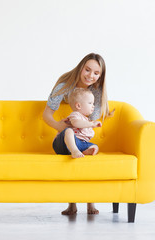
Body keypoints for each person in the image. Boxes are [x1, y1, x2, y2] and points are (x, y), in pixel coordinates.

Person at [43, 53, 114, 215]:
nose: (90, 76)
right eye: (87, 70)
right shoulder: (65, 84)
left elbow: (90, 119)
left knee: (86, 158)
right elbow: (46, 114)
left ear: (101, 76)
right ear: (80, 68)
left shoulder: (96, 91)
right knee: (72, 155)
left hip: (80, 132)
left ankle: (90, 203)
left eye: (96, 73)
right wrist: (58, 126)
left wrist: (85, 127)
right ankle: (72, 204)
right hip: (67, 131)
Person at [52, 88, 102, 159]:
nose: (93, 106)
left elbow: (83, 126)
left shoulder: (86, 119)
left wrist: (93, 125)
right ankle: (74, 151)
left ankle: (84, 151)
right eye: (90, 103)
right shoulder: (75, 115)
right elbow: (76, 123)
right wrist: (91, 124)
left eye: (93, 103)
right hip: (62, 143)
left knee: (95, 146)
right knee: (69, 131)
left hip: (79, 143)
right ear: (78, 106)